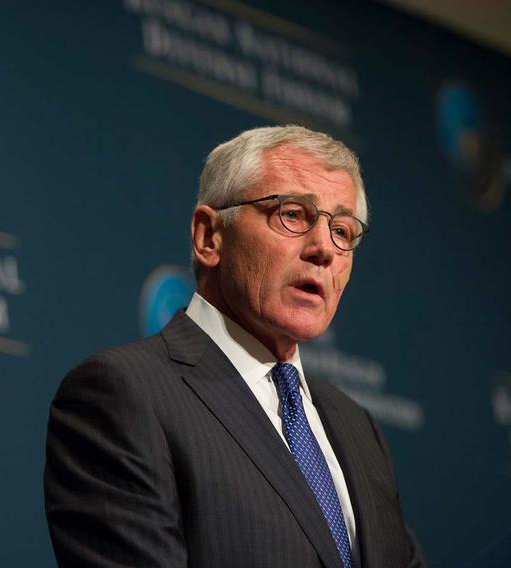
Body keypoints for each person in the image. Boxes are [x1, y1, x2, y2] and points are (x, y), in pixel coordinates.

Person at [43, 125, 426, 568]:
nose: (324, 248)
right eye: (294, 214)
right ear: (209, 236)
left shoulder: (358, 428)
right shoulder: (124, 395)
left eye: (342, 230)